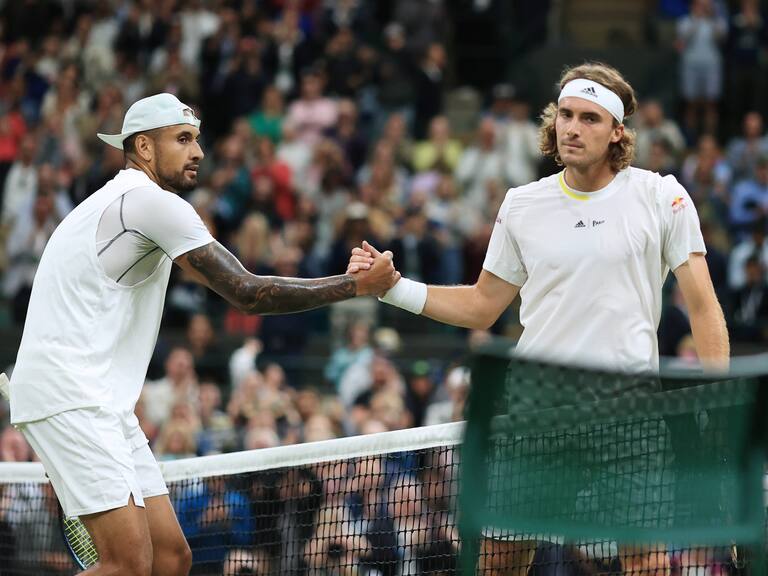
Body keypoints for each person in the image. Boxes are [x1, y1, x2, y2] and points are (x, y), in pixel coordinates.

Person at [349, 62, 729, 574]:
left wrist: (724, 401)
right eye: (565, 115)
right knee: (500, 562)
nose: (572, 128)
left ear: (618, 132)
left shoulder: (661, 195)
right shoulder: (522, 204)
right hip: (535, 412)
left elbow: (703, 307)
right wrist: (394, 289)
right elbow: (484, 305)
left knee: (649, 563)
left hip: (629, 412)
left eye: (590, 119)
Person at [8, 93, 398, 576]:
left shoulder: (116, 202)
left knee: (171, 558)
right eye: (183, 139)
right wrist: (355, 285)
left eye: (197, 140)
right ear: (144, 148)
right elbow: (248, 292)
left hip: (100, 400)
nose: (198, 152)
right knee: (127, 565)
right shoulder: (147, 202)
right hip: (70, 394)